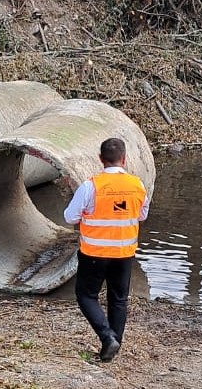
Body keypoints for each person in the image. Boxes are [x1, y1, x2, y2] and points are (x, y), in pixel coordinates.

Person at [63, 137, 149, 363]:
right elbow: (142, 215)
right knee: (118, 299)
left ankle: (107, 337)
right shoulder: (137, 185)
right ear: (124, 159)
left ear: (100, 159)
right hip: (124, 254)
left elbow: (70, 216)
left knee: (86, 295)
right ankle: (113, 343)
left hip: (94, 254)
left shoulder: (91, 186)